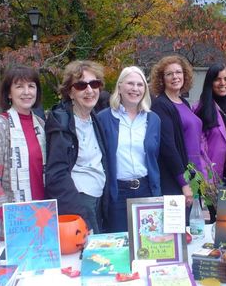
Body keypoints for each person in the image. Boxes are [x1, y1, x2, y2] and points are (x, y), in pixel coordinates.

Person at [0, 66, 45, 238]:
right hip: (12, 222)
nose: (26, 92)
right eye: (19, 86)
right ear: (9, 93)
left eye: (31, 86)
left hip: (42, 217)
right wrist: (12, 219)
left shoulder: (41, 125)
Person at [45, 60, 109, 234]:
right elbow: (56, 174)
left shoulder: (93, 118)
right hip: (78, 201)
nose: (89, 90)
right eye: (81, 85)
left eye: (94, 84)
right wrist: (80, 214)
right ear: (70, 92)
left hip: (98, 198)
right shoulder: (61, 121)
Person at [98, 66, 160, 232]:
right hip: (117, 192)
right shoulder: (103, 118)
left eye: (140, 85)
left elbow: (155, 157)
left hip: (146, 189)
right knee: (120, 243)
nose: (135, 88)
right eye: (130, 83)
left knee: (148, 241)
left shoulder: (153, 120)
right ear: (119, 87)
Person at [150, 55, 202, 217]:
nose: (175, 77)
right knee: (179, 229)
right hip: (176, 179)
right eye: (169, 74)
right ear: (162, 79)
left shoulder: (184, 103)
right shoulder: (161, 105)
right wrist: (184, 184)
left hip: (193, 174)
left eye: (178, 72)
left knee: (193, 226)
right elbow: (168, 147)